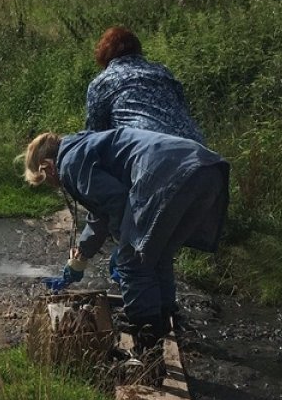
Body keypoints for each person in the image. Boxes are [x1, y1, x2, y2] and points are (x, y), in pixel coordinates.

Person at [23, 127, 229, 348]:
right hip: (207, 169)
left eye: (48, 180)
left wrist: (125, 245)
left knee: (133, 263)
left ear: (47, 166)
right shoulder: (83, 147)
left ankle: (147, 341)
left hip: (167, 176)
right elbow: (101, 211)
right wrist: (84, 251)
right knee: (158, 255)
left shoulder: (70, 163)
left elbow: (117, 201)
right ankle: (166, 319)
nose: (55, 184)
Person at [86, 26, 205, 145]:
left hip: (148, 147)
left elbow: (95, 136)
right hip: (194, 144)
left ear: (105, 55)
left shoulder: (103, 82)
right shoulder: (161, 70)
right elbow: (182, 106)